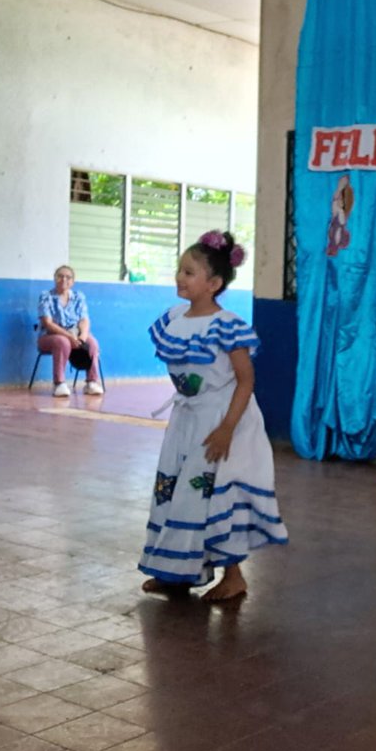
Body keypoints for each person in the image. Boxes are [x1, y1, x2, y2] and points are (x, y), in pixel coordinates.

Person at [139, 230, 288, 601]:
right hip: (188, 419)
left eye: (189, 272)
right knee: (175, 491)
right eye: (180, 270)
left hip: (222, 421)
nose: (179, 277)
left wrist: (226, 429)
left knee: (213, 495)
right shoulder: (174, 318)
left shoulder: (227, 326)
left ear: (214, 283)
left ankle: (233, 576)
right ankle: (176, 570)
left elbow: (245, 380)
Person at [37, 264, 103, 397]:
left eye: (68, 277)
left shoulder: (79, 297)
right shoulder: (46, 297)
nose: (64, 280)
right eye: (60, 276)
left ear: (73, 281)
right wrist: (69, 337)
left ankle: (91, 382)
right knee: (62, 342)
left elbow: (84, 320)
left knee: (92, 343)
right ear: (55, 279)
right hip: (50, 336)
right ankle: (59, 383)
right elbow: (48, 323)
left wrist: (82, 338)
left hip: (75, 333)